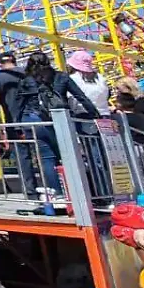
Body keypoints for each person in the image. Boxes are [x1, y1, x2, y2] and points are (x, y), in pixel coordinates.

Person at [18, 52, 101, 197]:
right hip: (60, 119)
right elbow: (81, 97)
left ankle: (58, 194)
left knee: (46, 158)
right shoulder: (61, 76)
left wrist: (18, 125)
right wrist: (95, 115)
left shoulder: (27, 80)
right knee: (69, 155)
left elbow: (20, 104)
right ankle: (78, 192)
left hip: (34, 119)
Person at [66, 50, 111, 117]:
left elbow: (71, 99)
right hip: (105, 114)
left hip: (84, 115)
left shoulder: (73, 78)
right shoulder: (100, 77)